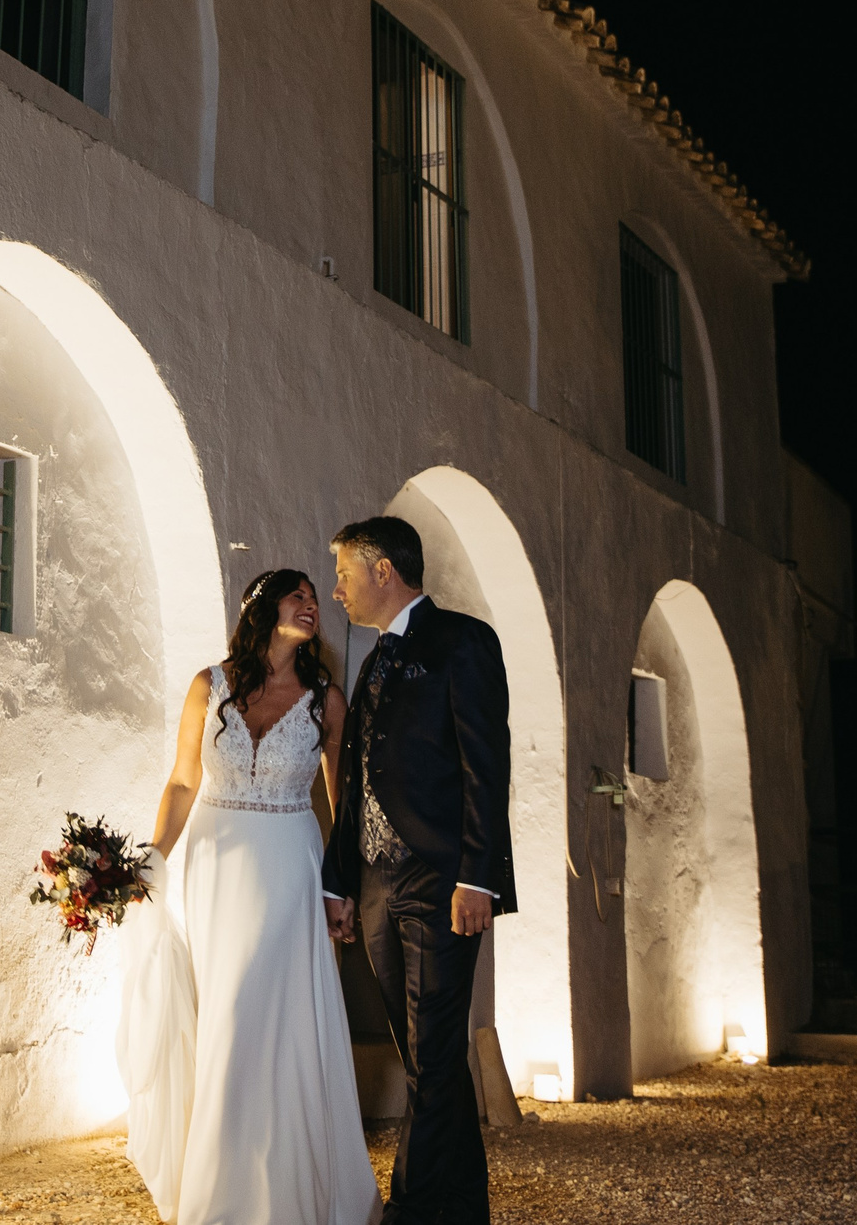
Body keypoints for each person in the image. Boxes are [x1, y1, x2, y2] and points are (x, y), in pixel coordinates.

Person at [117, 568, 382, 1225]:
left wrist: (339, 882)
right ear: (262, 608)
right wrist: (153, 856)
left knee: (258, 1012)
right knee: (222, 1014)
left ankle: (279, 1188)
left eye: (316, 598)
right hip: (213, 862)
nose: (312, 605)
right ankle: (226, 1180)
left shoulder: (327, 699)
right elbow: (182, 781)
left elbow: (343, 803)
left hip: (288, 867)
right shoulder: (209, 685)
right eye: (298, 595)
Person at [323, 517, 516, 1225]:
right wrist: (339, 879)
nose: (337, 588)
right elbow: (355, 782)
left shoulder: (463, 640)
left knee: (433, 1056)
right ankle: (463, 1208)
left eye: (345, 571)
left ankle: (407, 1211)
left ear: (383, 570)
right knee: (424, 1056)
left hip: (442, 882)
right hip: (376, 886)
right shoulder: (372, 662)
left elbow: (484, 765)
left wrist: (478, 875)